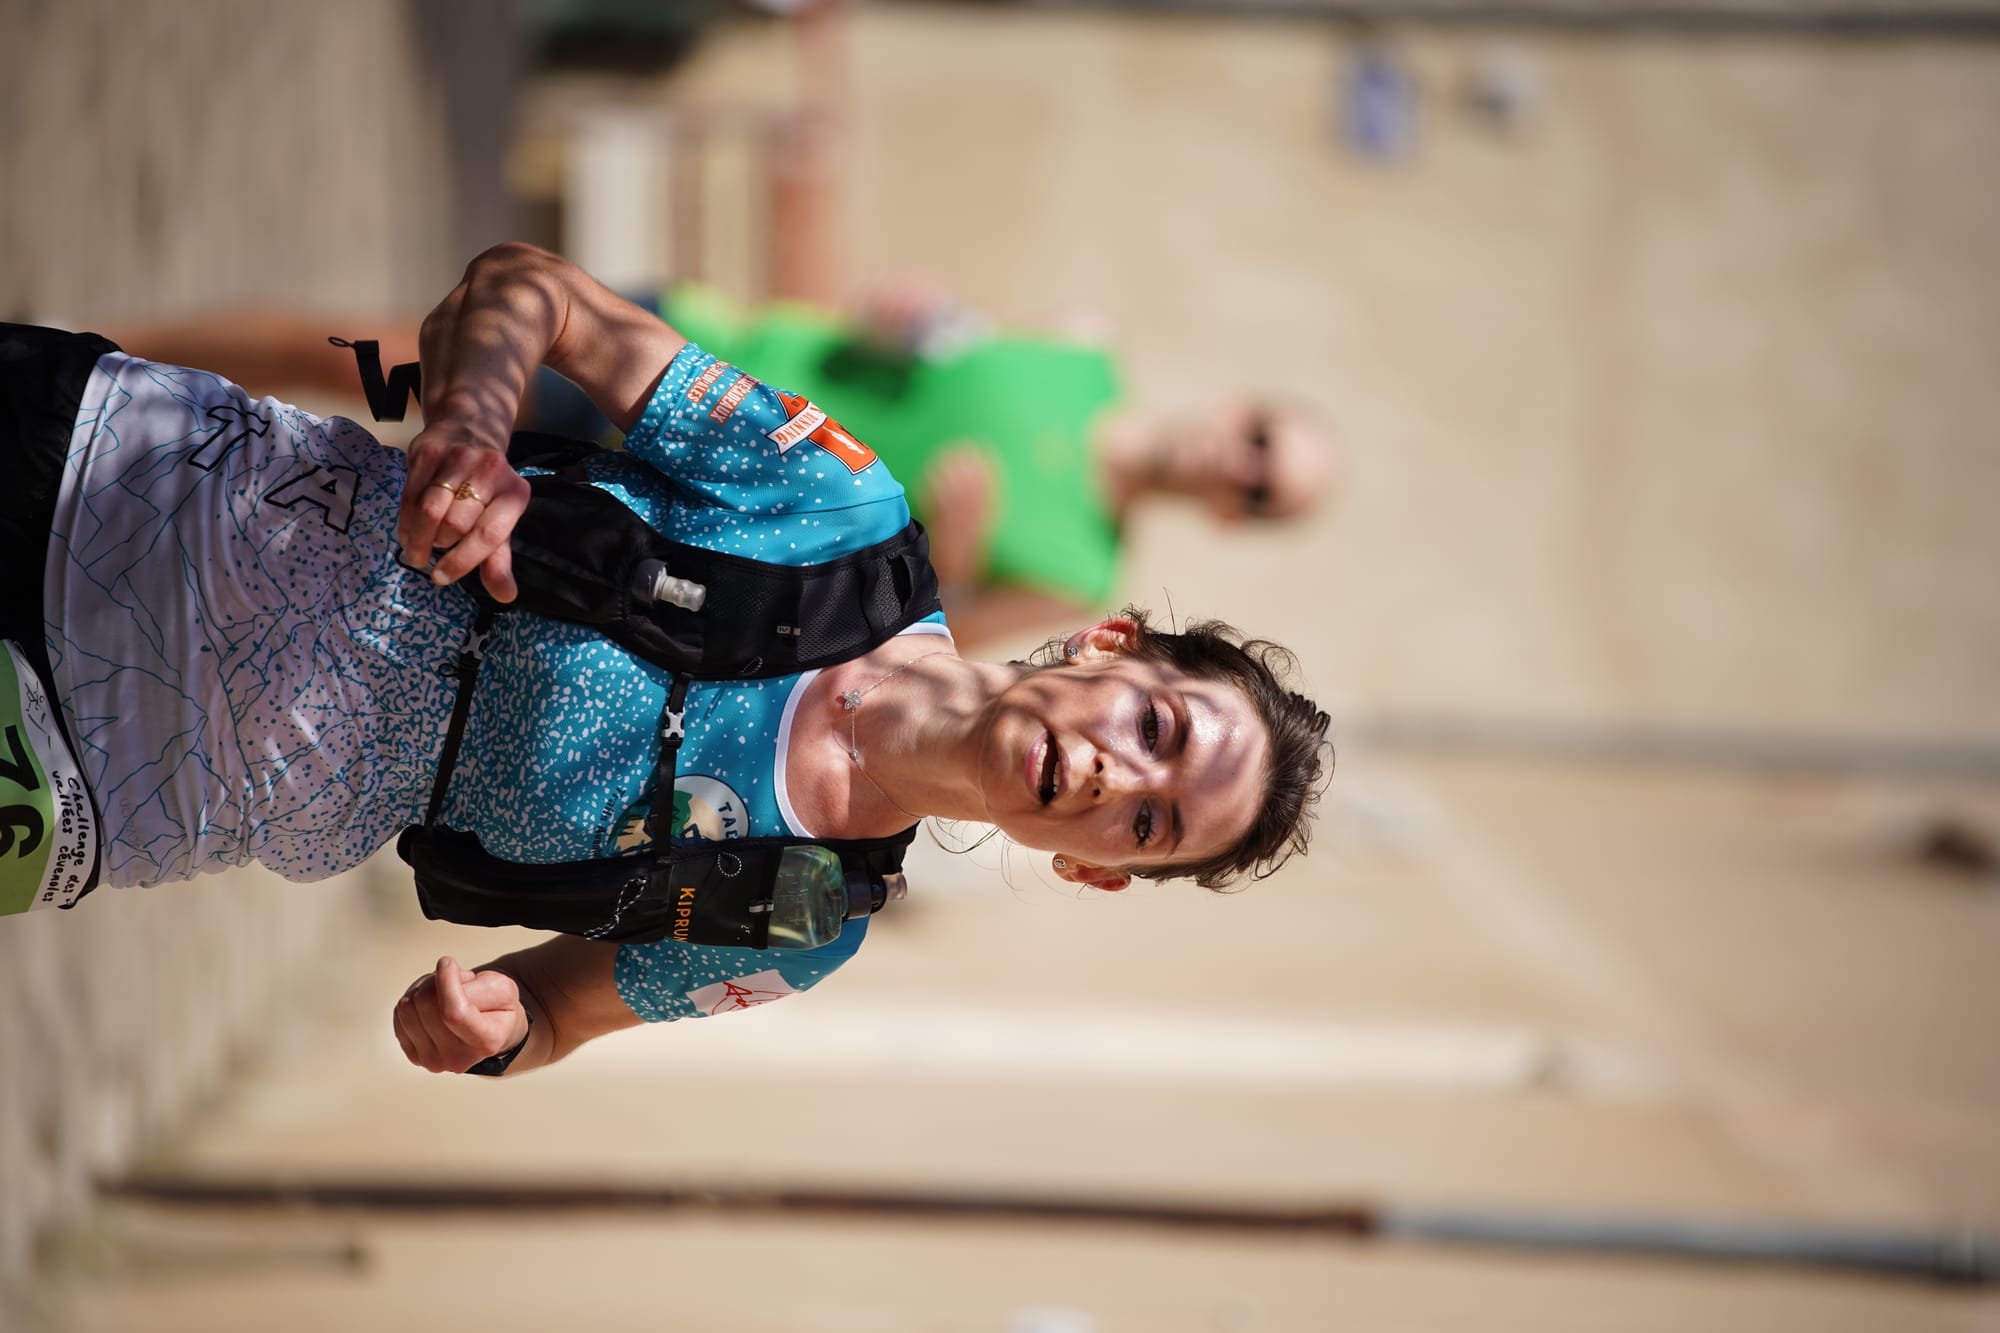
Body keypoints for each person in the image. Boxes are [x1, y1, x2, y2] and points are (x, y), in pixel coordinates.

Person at [6, 244, 1331, 1077]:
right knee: (337, 342)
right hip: (118, 485)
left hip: (95, 781)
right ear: (1112, 645)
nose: (1112, 773)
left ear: (1097, 868)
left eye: (1147, 822)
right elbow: (530, 293)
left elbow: (557, 1013)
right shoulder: (843, 517)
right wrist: (468, 422)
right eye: (1155, 727)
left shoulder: (803, 915)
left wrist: (486, 1034)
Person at [109, 276, 1336, 648]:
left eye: (1257, 489)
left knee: (364, 496)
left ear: (1232, 521)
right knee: (373, 359)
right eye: (1259, 440)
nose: (1237, 462)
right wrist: (899, 311)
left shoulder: (1078, 565)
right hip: (694, 366)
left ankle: (123, 480)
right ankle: (113, 354)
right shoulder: (1084, 353)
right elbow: (900, 315)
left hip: (667, 505)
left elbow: (927, 632)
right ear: (1236, 409)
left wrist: (949, 553)